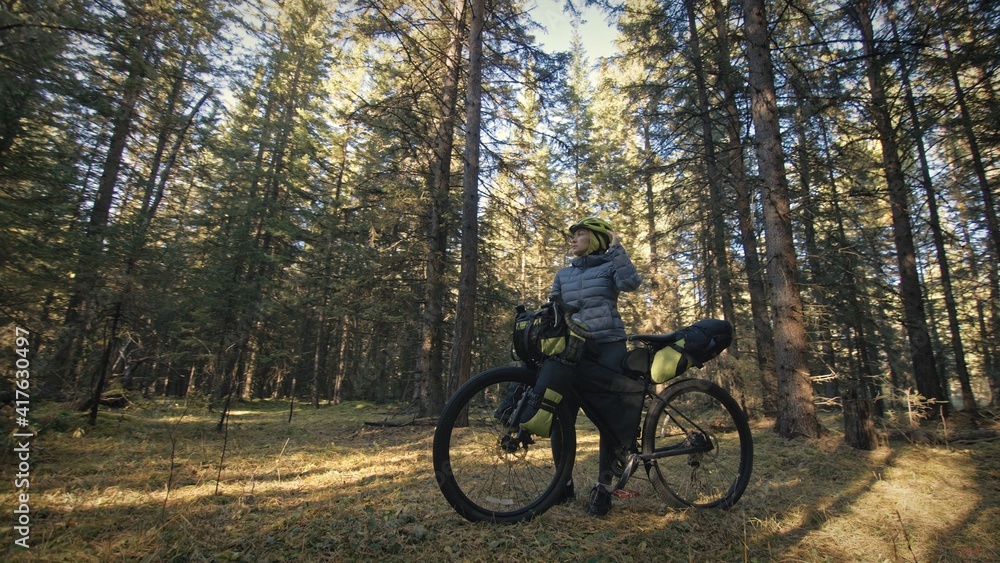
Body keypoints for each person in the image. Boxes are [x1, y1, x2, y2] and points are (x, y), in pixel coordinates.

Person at [521, 216, 644, 516]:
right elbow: (553, 307)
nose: (573, 239)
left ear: (597, 238)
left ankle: (604, 488)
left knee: (609, 420)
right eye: (572, 235)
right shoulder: (563, 274)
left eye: (580, 234)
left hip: (608, 346)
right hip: (573, 350)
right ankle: (563, 485)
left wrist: (617, 249)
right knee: (561, 414)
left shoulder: (609, 266)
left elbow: (631, 283)